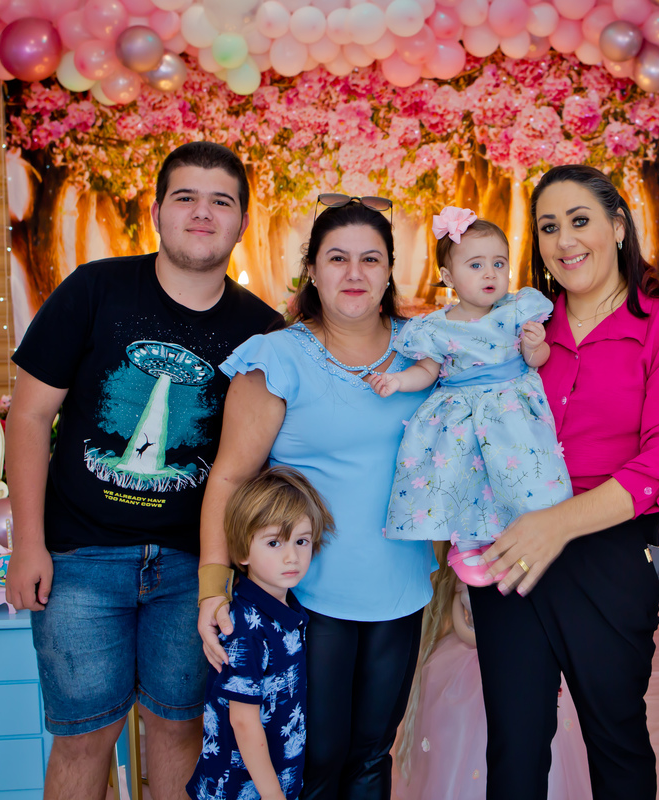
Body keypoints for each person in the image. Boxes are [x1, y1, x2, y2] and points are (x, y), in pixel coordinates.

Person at [5, 141, 282, 800]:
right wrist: (28, 544)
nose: (202, 213)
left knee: (180, 731)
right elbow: (29, 417)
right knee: (83, 739)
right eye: (186, 197)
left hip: (193, 567)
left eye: (220, 201)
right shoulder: (94, 289)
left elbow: (258, 463)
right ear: (157, 211)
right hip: (78, 559)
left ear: (242, 221)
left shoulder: (262, 332)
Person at [470, 164, 659, 800]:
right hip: (510, 550)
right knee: (515, 748)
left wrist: (557, 525)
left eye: (580, 220)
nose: (565, 240)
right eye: (549, 227)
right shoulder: (517, 329)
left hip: (613, 552)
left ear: (618, 226)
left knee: (616, 739)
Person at [196, 195, 436, 800]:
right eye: (337, 258)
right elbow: (228, 478)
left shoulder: (426, 351)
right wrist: (212, 586)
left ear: (390, 270)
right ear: (311, 269)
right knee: (315, 759)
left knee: (373, 755)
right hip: (304, 592)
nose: (354, 273)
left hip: (401, 585)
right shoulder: (276, 357)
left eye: (370, 259)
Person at [369, 206, 571, 586]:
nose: (490, 273)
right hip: (460, 414)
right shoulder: (435, 327)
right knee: (463, 474)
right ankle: (467, 540)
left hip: (510, 411)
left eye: (499, 263)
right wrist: (397, 381)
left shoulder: (515, 310)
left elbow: (537, 361)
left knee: (515, 473)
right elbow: (427, 371)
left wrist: (535, 345)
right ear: (448, 277)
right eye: (476, 265)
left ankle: (522, 534)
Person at [393, 544, 593, 800]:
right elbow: (461, 624)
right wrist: (486, 639)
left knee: (529, 737)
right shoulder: (467, 578)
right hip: (469, 663)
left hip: (521, 660)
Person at [187, 466, 334, 800]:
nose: (292, 556)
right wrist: (272, 795)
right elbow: (243, 722)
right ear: (242, 551)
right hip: (241, 788)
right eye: (274, 542)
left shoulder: (287, 608)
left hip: (276, 778)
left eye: (301, 541)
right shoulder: (244, 627)